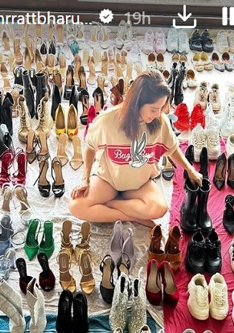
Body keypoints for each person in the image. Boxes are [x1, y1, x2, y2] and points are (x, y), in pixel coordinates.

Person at [68, 72, 203, 227]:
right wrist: (85, 180)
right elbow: (90, 148)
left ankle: (112, 205)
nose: (158, 114)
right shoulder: (107, 120)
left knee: (159, 209)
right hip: (108, 181)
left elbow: (172, 149)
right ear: (137, 102)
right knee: (76, 206)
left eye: (161, 108)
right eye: (153, 109)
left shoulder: (160, 121)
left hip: (139, 184)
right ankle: (133, 216)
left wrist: (191, 171)